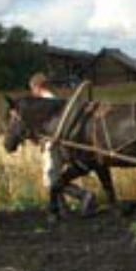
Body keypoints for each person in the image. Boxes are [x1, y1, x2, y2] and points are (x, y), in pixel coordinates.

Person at [28, 73, 94, 213]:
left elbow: (50, 127)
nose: (32, 92)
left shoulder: (45, 103)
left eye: (32, 89)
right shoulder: (53, 100)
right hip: (56, 144)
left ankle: (83, 196)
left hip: (53, 145)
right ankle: (63, 209)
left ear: (37, 87)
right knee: (54, 179)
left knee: (51, 179)